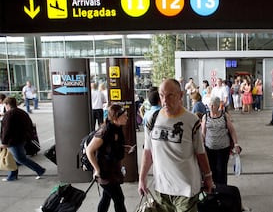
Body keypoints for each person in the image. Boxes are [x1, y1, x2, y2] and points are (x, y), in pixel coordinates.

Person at [138, 79, 214, 212]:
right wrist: (142, 178)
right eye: (162, 95)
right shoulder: (152, 119)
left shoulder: (192, 121)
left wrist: (208, 177)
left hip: (186, 190)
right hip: (162, 189)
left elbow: (200, 153)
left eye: (170, 95)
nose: (165, 100)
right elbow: (148, 152)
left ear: (181, 95)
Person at [86, 104, 129, 212]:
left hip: (113, 170)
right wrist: (97, 169)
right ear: (115, 118)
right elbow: (89, 150)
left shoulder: (117, 128)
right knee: (119, 198)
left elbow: (113, 147)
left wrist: (124, 148)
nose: (126, 118)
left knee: (106, 197)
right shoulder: (104, 131)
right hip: (104, 172)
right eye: (124, 116)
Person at [0, 97, 46, 181]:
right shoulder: (22, 112)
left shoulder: (9, 114)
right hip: (22, 139)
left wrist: (4, 142)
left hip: (13, 141)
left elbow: (6, 130)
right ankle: (12, 175)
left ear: (7, 104)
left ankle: (40, 170)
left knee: (20, 158)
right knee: (14, 158)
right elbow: (29, 125)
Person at [201, 96, 241, 185]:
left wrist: (236, 144)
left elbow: (232, 130)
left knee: (221, 170)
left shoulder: (224, 116)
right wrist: (200, 145)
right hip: (209, 148)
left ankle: (222, 190)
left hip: (223, 148)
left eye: (213, 105)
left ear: (218, 106)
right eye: (210, 105)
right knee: (211, 170)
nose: (211, 107)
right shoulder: (206, 117)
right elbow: (203, 133)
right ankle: (214, 189)